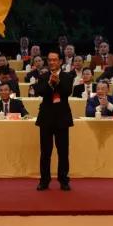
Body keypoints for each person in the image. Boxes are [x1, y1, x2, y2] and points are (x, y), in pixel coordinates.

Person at [35, 52, 73, 191]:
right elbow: (40, 91)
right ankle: (44, 180)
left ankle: (63, 180)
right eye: (50, 60)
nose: (51, 62)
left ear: (60, 61)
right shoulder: (43, 76)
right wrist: (50, 83)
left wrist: (58, 82)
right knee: (45, 152)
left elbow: (67, 92)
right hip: (46, 118)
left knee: (63, 152)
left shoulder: (67, 76)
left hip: (62, 118)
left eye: (54, 60)